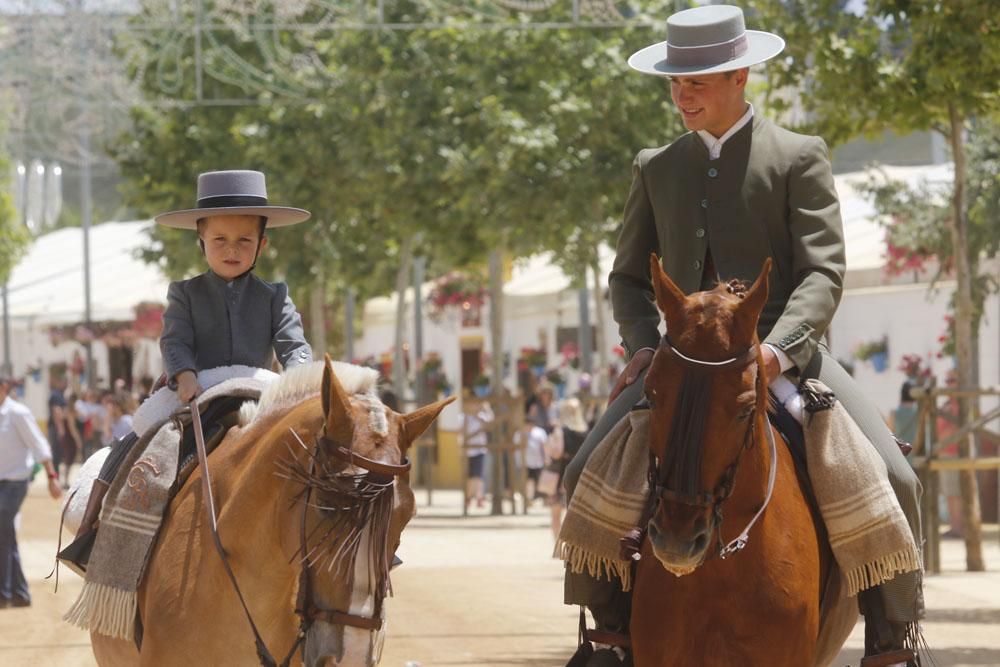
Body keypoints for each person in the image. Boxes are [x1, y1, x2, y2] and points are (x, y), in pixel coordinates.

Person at [561, 5, 924, 665]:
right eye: (676, 81)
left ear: (740, 75)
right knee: (586, 471)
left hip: (784, 359)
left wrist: (777, 347)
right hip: (678, 362)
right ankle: (609, 638)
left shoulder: (798, 156)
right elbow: (625, 279)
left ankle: (892, 643)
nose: (683, 93)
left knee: (896, 476)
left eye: (698, 79)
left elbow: (822, 272)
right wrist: (644, 343)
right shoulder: (657, 166)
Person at [62, 169, 314, 569]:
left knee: (323, 448)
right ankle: (93, 532)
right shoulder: (185, 293)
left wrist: (302, 379)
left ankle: (357, 534)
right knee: (135, 440)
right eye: (219, 240)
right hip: (194, 389)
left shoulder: (275, 297)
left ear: (262, 244)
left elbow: (294, 345)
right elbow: (175, 340)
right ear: (202, 243)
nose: (232, 249)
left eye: (244, 240)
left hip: (259, 390)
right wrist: (184, 374)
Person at [0, 374, 62, 607]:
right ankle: (20, 594)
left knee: (1, 529)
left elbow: (39, 445)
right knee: (5, 534)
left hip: (16, 482)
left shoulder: (17, 413)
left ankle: (3, 594)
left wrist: (51, 477)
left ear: (3, 388)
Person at [544, 397, 589, 539]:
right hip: (581, 474)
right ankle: (572, 545)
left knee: (556, 513)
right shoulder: (586, 431)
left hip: (562, 473)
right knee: (577, 515)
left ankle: (558, 546)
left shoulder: (560, 430)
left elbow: (556, 453)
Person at [461, 396, 493, 509]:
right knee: (471, 476)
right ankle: (470, 497)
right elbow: (464, 435)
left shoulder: (482, 417)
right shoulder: (465, 418)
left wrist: (486, 409)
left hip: (480, 450)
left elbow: (490, 424)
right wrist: (477, 432)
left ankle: (479, 497)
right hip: (469, 451)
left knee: (479, 475)